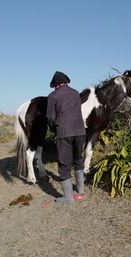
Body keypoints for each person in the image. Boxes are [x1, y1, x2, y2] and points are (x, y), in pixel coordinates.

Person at [46, 71, 86, 203]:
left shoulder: (53, 96)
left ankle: (68, 198)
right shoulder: (75, 93)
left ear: (55, 85)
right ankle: (81, 190)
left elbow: (50, 117)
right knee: (78, 159)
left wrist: (53, 129)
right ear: (66, 82)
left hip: (64, 132)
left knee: (64, 164)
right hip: (80, 130)